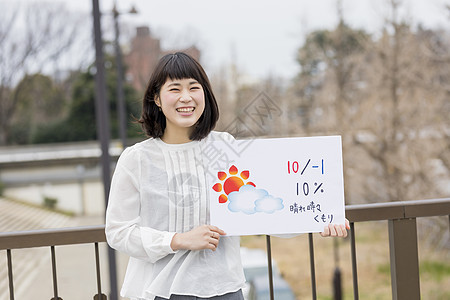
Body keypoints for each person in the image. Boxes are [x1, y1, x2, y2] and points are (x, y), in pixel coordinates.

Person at [105, 52, 349, 300]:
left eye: (194, 87)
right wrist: (178, 240)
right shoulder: (137, 159)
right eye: (175, 89)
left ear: (205, 94)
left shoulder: (226, 147)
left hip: (224, 289)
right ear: (156, 98)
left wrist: (318, 219)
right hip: (160, 291)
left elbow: (265, 209)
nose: (186, 97)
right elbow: (118, 232)